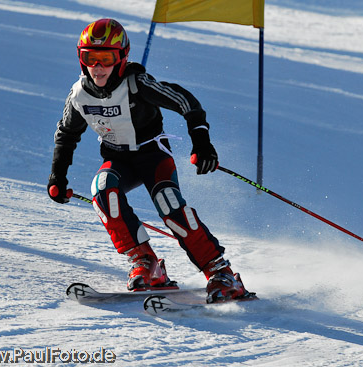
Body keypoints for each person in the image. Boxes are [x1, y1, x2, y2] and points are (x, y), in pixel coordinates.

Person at [48, 18, 252, 303]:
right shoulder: (79, 94)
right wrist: (58, 177)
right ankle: (146, 263)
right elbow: (66, 134)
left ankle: (221, 272)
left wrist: (202, 143)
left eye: (107, 58)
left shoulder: (137, 84)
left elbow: (187, 103)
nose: (98, 67)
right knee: (103, 190)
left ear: (122, 58)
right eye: (90, 58)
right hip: (119, 159)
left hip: (153, 156)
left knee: (169, 205)